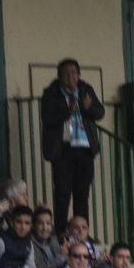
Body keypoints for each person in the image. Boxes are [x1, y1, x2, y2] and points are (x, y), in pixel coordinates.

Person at [38, 58, 104, 226]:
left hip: (85, 149)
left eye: (74, 73)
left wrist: (88, 107)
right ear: (59, 76)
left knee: (82, 196)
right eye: (66, 73)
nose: (71, 77)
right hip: (63, 150)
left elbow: (99, 112)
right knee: (62, 194)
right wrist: (68, 111)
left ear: (79, 74)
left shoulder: (86, 89)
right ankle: (61, 233)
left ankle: (81, 232)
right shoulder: (51, 93)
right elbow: (48, 118)